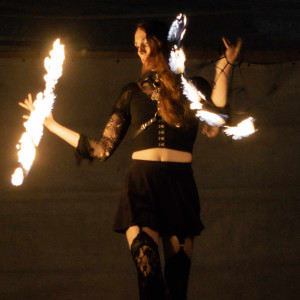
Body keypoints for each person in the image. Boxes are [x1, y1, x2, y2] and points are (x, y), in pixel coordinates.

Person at [20, 20, 242, 300]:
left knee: (177, 285)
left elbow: (218, 114)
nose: (139, 48)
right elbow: (101, 149)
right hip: (142, 187)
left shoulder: (191, 86)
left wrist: (226, 63)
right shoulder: (132, 92)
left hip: (179, 186)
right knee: (151, 281)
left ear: (161, 42)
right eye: (136, 44)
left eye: (144, 41)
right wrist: (51, 125)